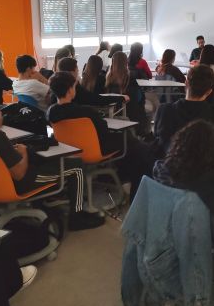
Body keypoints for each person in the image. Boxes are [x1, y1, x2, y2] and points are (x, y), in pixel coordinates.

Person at [0, 78, 103, 230]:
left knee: (46, 160)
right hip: (19, 184)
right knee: (76, 166)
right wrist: (23, 152)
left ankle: (46, 205)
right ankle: (77, 217)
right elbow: (20, 173)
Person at [47, 72, 154, 200]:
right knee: (137, 146)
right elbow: (103, 130)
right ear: (70, 90)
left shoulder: (50, 113)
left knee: (131, 144)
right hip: (96, 149)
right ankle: (135, 190)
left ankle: (123, 179)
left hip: (70, 151)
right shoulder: (86, 112)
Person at [153, 64, 214, 157]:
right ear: (209, 91)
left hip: (169, 170)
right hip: (205, 172)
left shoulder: (164, 111)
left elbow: (158, 138)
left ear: (186, 83)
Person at [54, 57, 127, 107]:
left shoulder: (54, 93)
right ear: (72, 72)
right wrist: (120, 98)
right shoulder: (75, 88)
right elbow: (96, 99)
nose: (78, 71)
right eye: (77, 69)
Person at [106, 52, 148, 136]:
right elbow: (139, 97)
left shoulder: (108, 77)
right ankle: (145, 133)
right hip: (131, 111)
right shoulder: (132, 77)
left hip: (114, 110)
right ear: (126, 62)